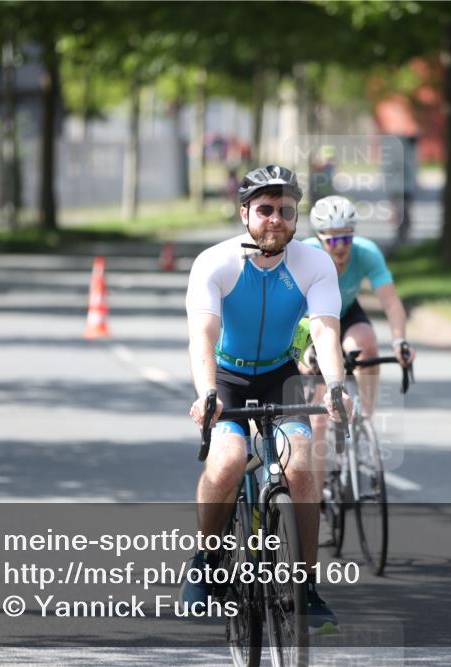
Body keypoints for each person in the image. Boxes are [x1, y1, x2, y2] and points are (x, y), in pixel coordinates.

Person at [183, 165, 348, 635]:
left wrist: (336, 386)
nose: (276, 219)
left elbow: (324, 329)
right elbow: (203, 334)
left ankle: (306, 585)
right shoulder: (216, 263)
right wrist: (207, 393)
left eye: (286, 210)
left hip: (281, 374)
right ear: (245, 213)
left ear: (297, 218)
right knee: (229, 458)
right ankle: (207, 557)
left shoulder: (313, 264)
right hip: (226, 376)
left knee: (300, 468)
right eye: (265, 209)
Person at [301, 195, 415, 448]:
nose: (340, 246)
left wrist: (400, 340)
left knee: (366, 345)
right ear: (320, 238)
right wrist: (302, 350)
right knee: (317, 410)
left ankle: (363, 420)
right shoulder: (305, 255)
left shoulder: (366, 252)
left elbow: (391, 302)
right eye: (332, 239)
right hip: (311, 320)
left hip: (346, 313)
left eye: (346, 238)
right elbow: (290, 309)